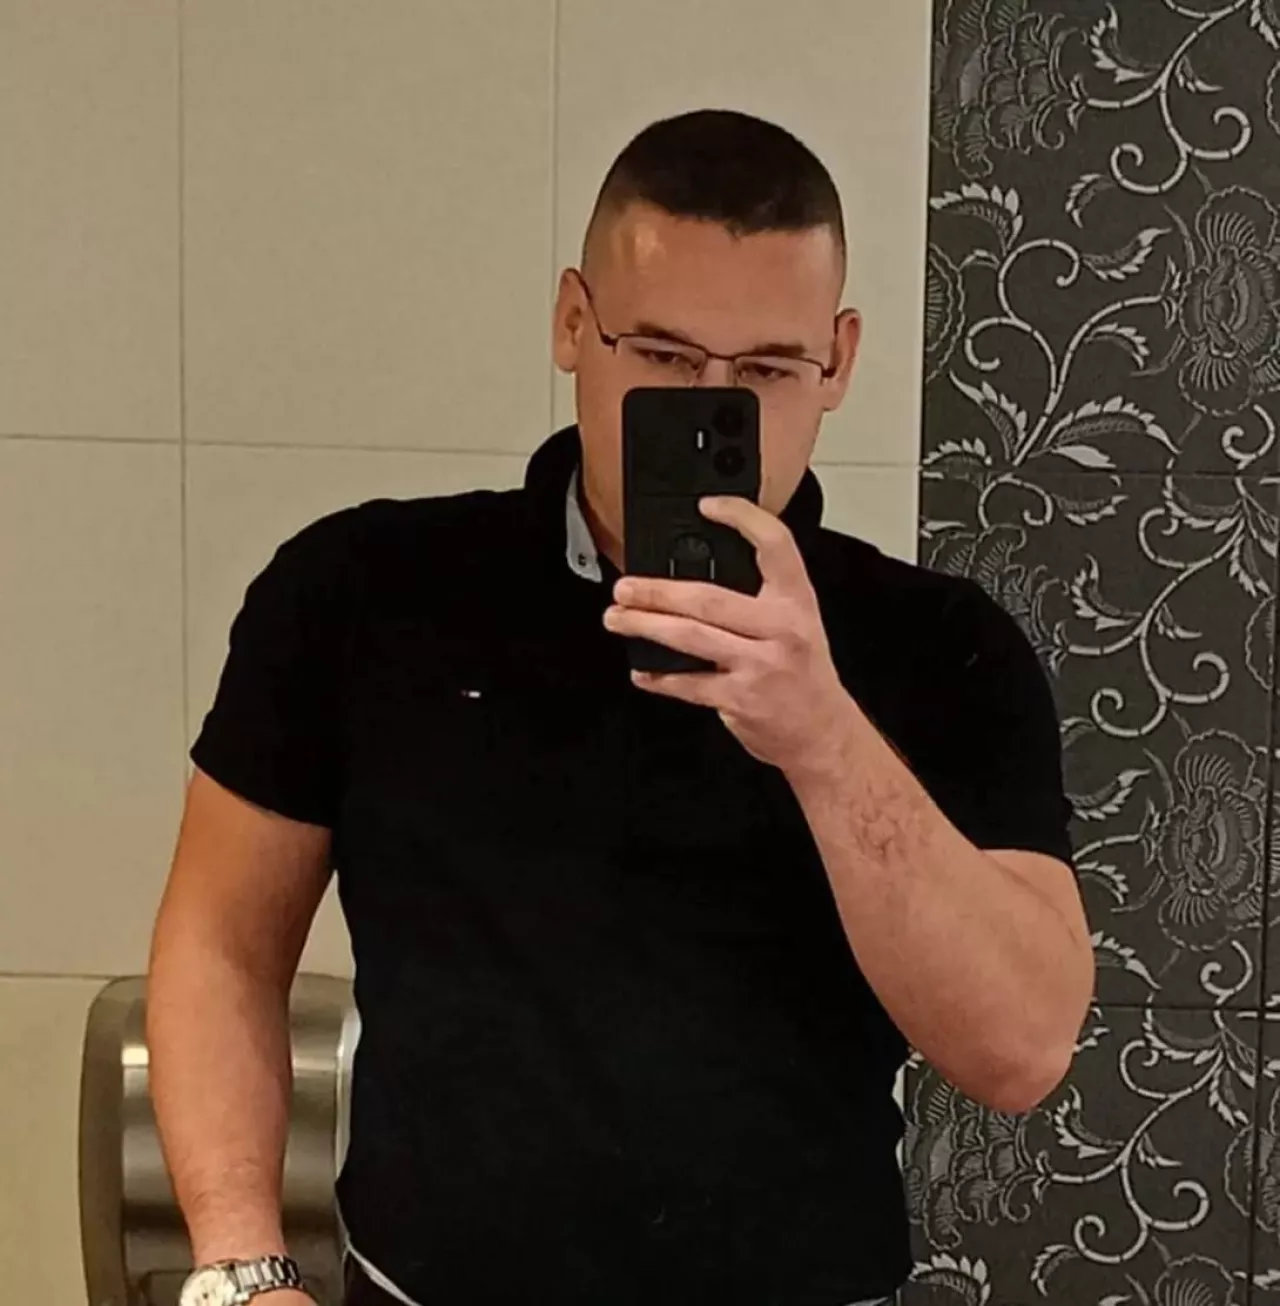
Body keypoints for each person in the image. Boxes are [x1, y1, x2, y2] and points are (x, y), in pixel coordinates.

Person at [147, 109, 1094, 1306]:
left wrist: (822, 737)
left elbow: (1019, 1049)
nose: (709, 408)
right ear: (570, 323)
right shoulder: (360, 591)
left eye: (765, 370)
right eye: (661, 355)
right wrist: (242, 1269)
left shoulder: (940, 646)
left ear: (838, 361)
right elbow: (222, 943)